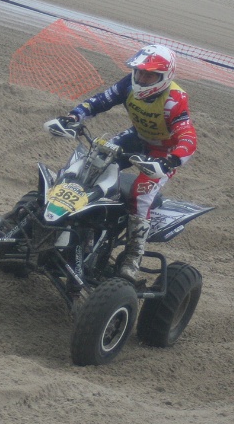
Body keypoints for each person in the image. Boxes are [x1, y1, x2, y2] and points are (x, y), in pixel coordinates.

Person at [59, 43, 197, 287]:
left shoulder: (175, 100)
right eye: (140, 72)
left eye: (149, 74)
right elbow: (100, 101)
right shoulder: (128, 84)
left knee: (140, 194)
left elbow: (188, 139)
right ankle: (83, 229)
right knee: (95, 161)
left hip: (164, 152)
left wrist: (170, 161)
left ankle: (133, 256)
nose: (142, 78)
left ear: (164, 77)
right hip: (138, 138)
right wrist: (75, 115)